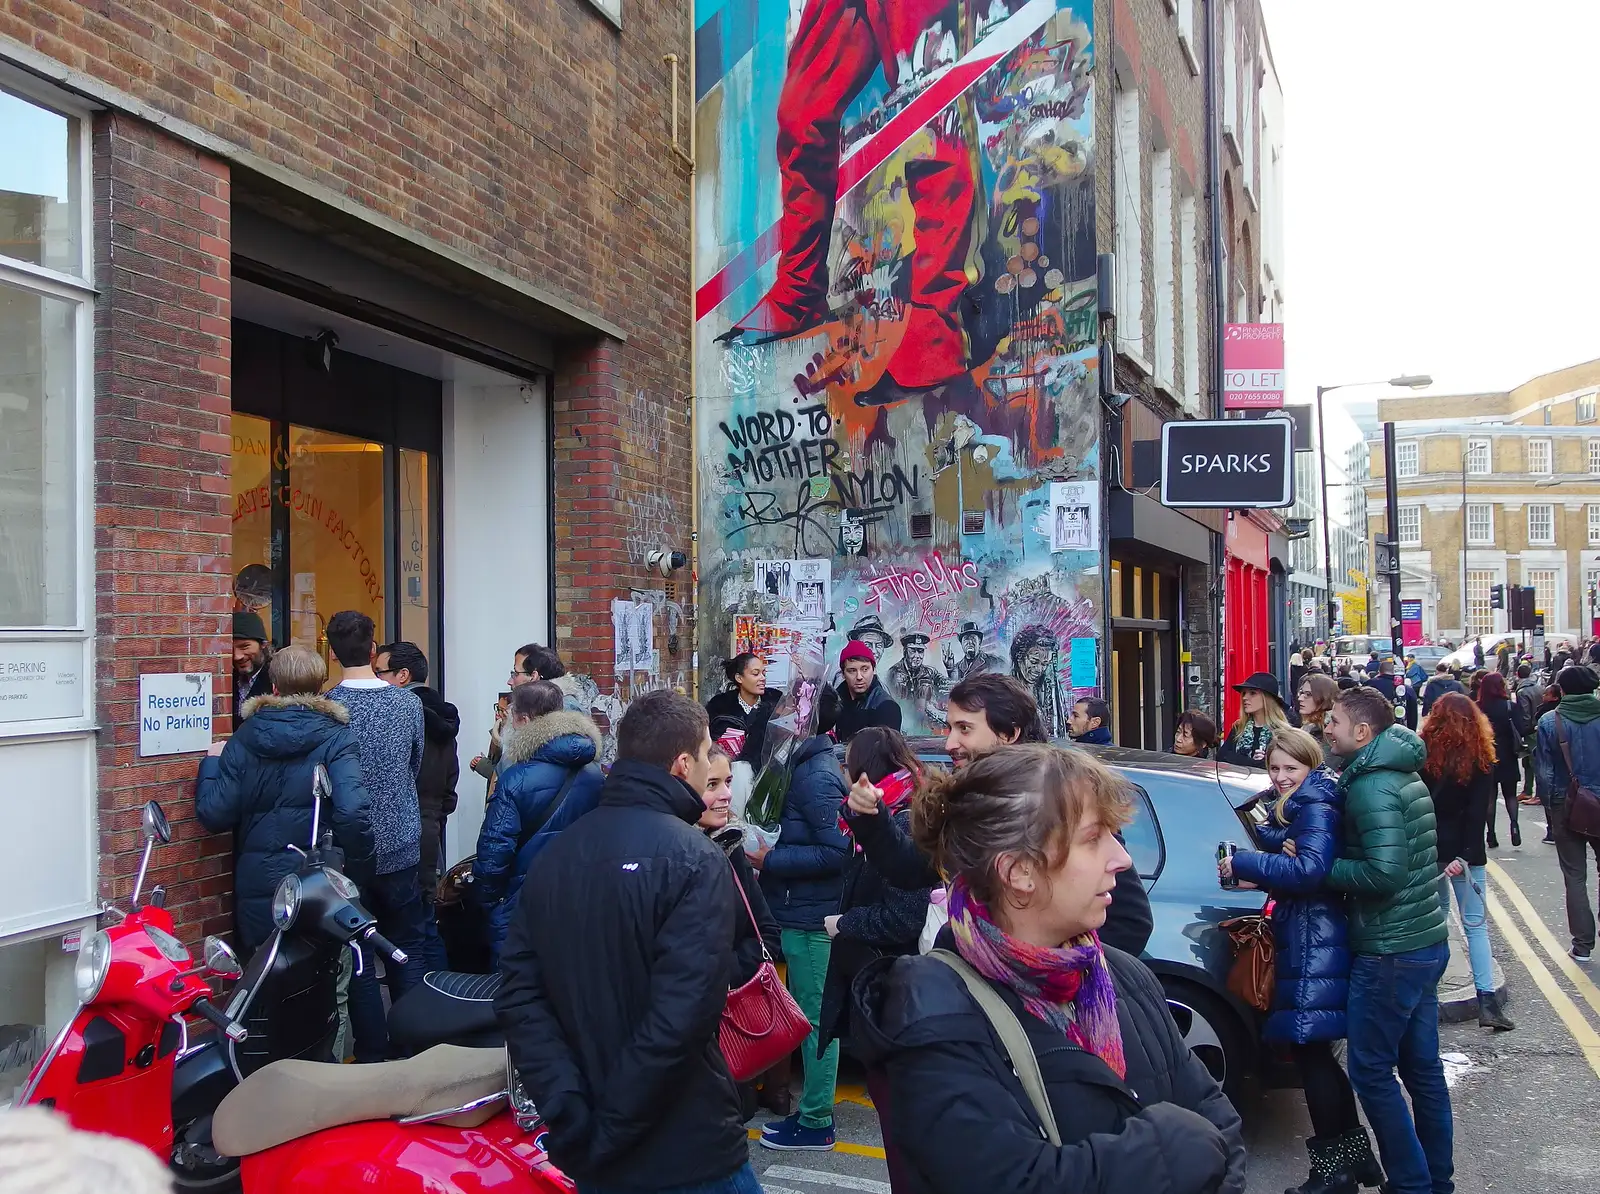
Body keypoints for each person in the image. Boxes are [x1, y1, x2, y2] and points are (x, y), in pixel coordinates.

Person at [851, 745, 1248, 1194]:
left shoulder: (1122, 973)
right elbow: (1013, 1180)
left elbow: (1219, 1119)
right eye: (1094, 838)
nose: (1120, 859)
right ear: (1020, 872)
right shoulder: (933, 1010)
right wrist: (1171, 1148)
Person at [495, 690, 756, 1194]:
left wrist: (573, 1113)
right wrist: (599, 1123)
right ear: (683, 764)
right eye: (706, 755)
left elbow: (521, 996)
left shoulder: (556, 855)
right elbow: (682, 1017)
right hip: (684, 1147)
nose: (711, 768)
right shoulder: (694, 858)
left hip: (596, 1139)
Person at [847, 674, 1153, 957]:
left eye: (964, 729)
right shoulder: (971, 800)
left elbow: (1130, 922)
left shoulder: (1067, 797)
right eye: (951, 728)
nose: (950, 743)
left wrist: (1055, 975)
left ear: (1009, 733)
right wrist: (873, 818)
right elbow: (913, 870)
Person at [1222, 728, 1382, 1193]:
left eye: (1291, 768)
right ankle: (1357, 1161)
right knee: (1319, 1057)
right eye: (1274, 768)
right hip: (1313, 933)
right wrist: (1276, 841)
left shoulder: (1313, 803)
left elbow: (1310, 871)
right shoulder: (1307, 801)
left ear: (1309, 765)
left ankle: (1333, 1174)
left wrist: (1243, 862)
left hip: (1314, 935)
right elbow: (1298, 851)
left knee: (1312, 1056)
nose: (1281, 777)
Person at [1321, 686, 1453, 1194]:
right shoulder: (1399, 769)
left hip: (1391, 950)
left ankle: (1410, 1184)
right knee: (1422, 1071)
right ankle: (1436, 1182)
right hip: (1424, 941)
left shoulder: (1371, 786)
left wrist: (1321, 867)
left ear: (1362, 732)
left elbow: (1384, 872)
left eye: (1334, 721)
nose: (1327, 728)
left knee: (1371, 1071)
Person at [196, 644, 375, 956]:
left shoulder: (245, 737)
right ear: (321, 687)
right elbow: (352, 809)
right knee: (322, 983)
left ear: (274, 687)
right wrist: (360, 871)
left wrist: (212, 763)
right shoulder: (337, 736)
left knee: (264, 977)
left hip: (258, 883)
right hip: (317, 879)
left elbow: (214, 813)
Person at [818, 728, 932, 1186]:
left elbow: (903, 916)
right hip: (880, 988)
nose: (843, 774)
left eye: (847, 764)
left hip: (893, 989)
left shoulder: (901, 820)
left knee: (905, 1125)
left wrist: (844, 924)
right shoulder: (878, 815)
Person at [325, 610, 428, 1060]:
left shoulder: (329, 707)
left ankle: (372, 1052)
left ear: (331, 651)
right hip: (402, 838)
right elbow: (414, 765)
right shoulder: (407, 704)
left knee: (360, 955)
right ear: (372, 649)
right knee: (407, 946)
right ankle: (414, 1043)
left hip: (349, 849)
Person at [756, 685, 851, 1152]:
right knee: (806, 1018)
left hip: (814, 919)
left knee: (816, 1021)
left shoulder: (816, 775)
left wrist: (769, 860)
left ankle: (816, 1121)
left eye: (788, 708)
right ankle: (808, 1114)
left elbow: (838, 851)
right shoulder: (800, 764)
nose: (779, 715)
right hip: (797, 912)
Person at [474, 680, 606, 962]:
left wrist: (486, 901)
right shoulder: (594, 772)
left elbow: (494, 852)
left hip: (523, 900)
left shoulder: (516, 777)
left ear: (523, 720)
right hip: (580, 894)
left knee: (515, 984)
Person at [699, 744, 786, 1121]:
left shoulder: (730, 845)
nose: (726, 794)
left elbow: (766, 933)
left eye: (729, 781)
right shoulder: (666, 854)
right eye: (712, 783)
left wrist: (725, 972)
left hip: (734, 1030)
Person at [1422, 693, 1514, 1031]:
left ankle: (1428, 997)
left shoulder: (1425, 752)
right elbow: (1478, 813)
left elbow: (1421, 805)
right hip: (1466, 854)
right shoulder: (1482, 758)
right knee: (1475, 926)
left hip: (1431, 850)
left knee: (1436, 921)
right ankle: (1487, 1001)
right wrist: (1463, 854)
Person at [377, 641, 459, 922]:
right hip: (430, 828)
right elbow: (450, 785)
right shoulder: (444, 719)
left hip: (397, 834)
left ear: (402, 676)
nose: (376, 681)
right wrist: (434, 817)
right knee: (425, 920)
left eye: (380, 673)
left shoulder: (396, 717)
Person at [1536, 665, 1600, 964]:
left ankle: (1583, 945)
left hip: (1567, 803)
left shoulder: (1550, 721)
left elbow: (1546, 773)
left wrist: (1551, 809)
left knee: (1574, 876)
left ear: (1561, 690)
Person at [471, 642, 567, 785]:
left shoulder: (559, 710)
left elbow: (524, 779)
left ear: (533, 676)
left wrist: (485, 767)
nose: (509, 681)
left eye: (515, 673)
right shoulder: (538, 708)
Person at [1476, 671, 1525, 848]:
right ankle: (1514, 825)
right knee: (1510, 794)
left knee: (1489, 796)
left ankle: (1491, 833)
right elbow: (1521, 728)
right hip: (1508, 754)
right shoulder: (1510, 706)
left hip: (1486, 754)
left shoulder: (1478, 707)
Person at [705, 652, 782, 764]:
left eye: (763, 673)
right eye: (756, 674)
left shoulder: (776, 703)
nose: (762, 678)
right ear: (739, 678)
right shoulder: (719, 707)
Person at [1217, 672, 1291, 768]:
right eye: (1244, 693)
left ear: (1267, 698)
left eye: (1252, 693)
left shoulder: (1282, 732)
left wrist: (1238, 759)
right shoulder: (1239, 727)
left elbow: (1284, 765)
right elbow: (1221, 757)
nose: (1244, 698)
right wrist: (1255, 763)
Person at [835, 639, 903, 741]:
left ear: (873, 669)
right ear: (843, 674)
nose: (859, 676)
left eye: (865, 669)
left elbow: (886, 752)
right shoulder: (836, 700)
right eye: (852, 671)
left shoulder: (886, 707)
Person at [231, 610, 273, 721]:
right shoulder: (227, 680)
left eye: (244, 647)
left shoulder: (277, 681)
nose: (237, 656)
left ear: (263, 644)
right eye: (230, 649)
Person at [1514, 663, 1544, 802]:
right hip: (1539, 727)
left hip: (1530, 729)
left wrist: (1523, 730)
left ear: (1517, 674)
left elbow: (1525, 713)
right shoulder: (1539, 688)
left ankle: (1536, 793)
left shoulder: (1522, 692)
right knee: (1531, 760)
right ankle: (1529, 790)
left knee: (1532, 761)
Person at [1297, 673, 1341, 760]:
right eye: (1301, 693)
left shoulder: (1328, 730)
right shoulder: (1311, 726)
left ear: (1324, 696)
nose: (1300, 698)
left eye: (1308, 694)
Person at [1368, 659, 1417, 732]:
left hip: (1372, 731)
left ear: (1379, 672)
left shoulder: (1369, 685)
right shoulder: (1406, 689)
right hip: (1400, 732)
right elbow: (1412, 715)